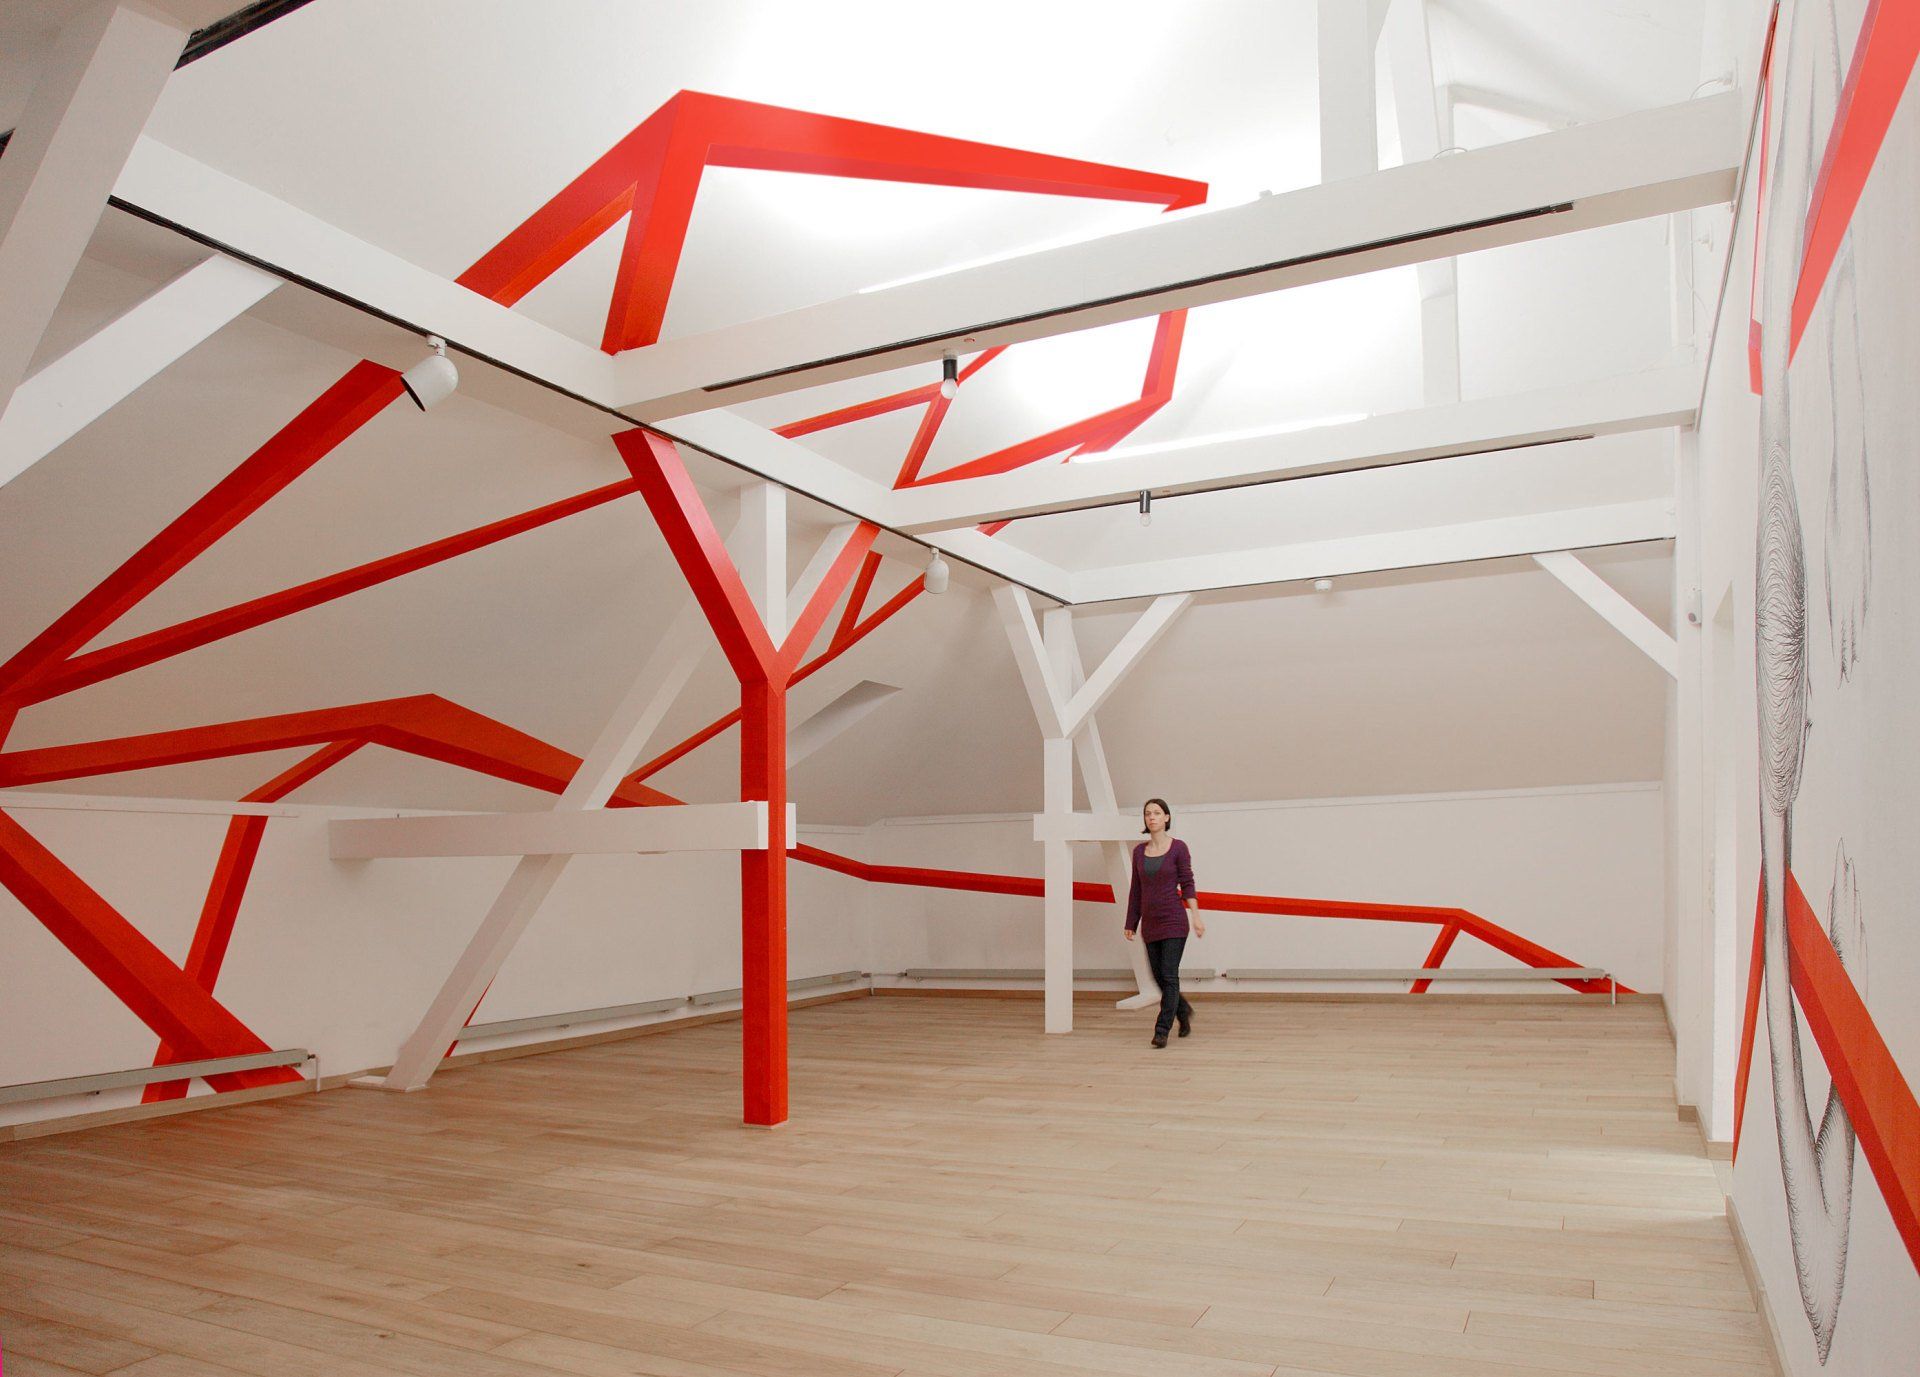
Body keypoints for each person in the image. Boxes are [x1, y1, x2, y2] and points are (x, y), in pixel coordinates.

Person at [1123, 798, 1203, 1048]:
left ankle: (1161, 1030)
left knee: (1169, 975)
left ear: (1166, 817)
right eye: (1148, 813)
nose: (1152, 817)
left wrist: (1196, 916)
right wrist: (1131, 922)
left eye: (1157, 813)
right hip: (1150, 924)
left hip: (1174, 921)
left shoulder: (1178, 848)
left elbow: (1187, 883)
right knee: (1159, 977)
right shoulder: (1139, 852)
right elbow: (1136, 890)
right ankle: (1183, 1010)